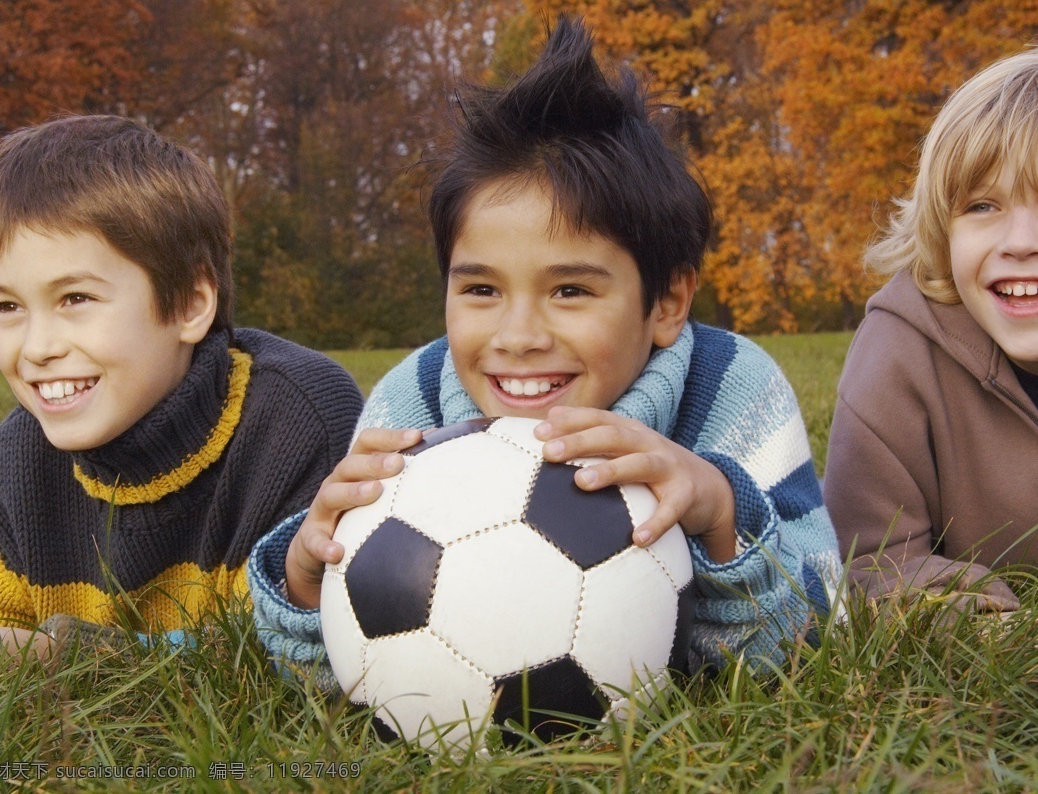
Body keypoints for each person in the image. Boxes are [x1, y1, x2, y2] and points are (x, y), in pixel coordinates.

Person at [248, 18, 842, 684]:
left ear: (668, 302)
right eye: (480, 289)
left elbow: (817, 636)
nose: (518, 335)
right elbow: (338, 675)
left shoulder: (734, 389)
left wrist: (721, 516)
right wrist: (306, 583)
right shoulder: (407, 408)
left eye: (569, 290)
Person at [0, 115, 364, 672]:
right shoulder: (16, 465)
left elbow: (293, 653)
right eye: (8, 307)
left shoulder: (300, 424)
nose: (35, 348)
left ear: (189, 305)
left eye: (75, 299)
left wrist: (59, 658)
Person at [823, 32, 1038, 633]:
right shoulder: (898, 354)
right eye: (982, 206)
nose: (1019, 241)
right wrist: (996, 626)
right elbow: (870, 563)